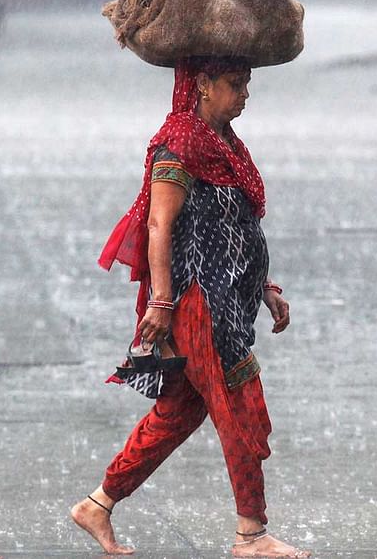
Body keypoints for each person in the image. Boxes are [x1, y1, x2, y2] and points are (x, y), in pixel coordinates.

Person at [70, 56, 309, 558]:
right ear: (202, 85)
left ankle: (98, 504)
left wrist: (264, 286)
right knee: (240, 408)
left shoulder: (226, 144)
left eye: (247, 84)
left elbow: (233, 228)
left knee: (177, 414)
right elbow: (159, 225)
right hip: (201, 305)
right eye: (235, 84)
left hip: (231, 300)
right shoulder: (177, 142)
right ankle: (251, 534)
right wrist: (160, 301)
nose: (245, 94)